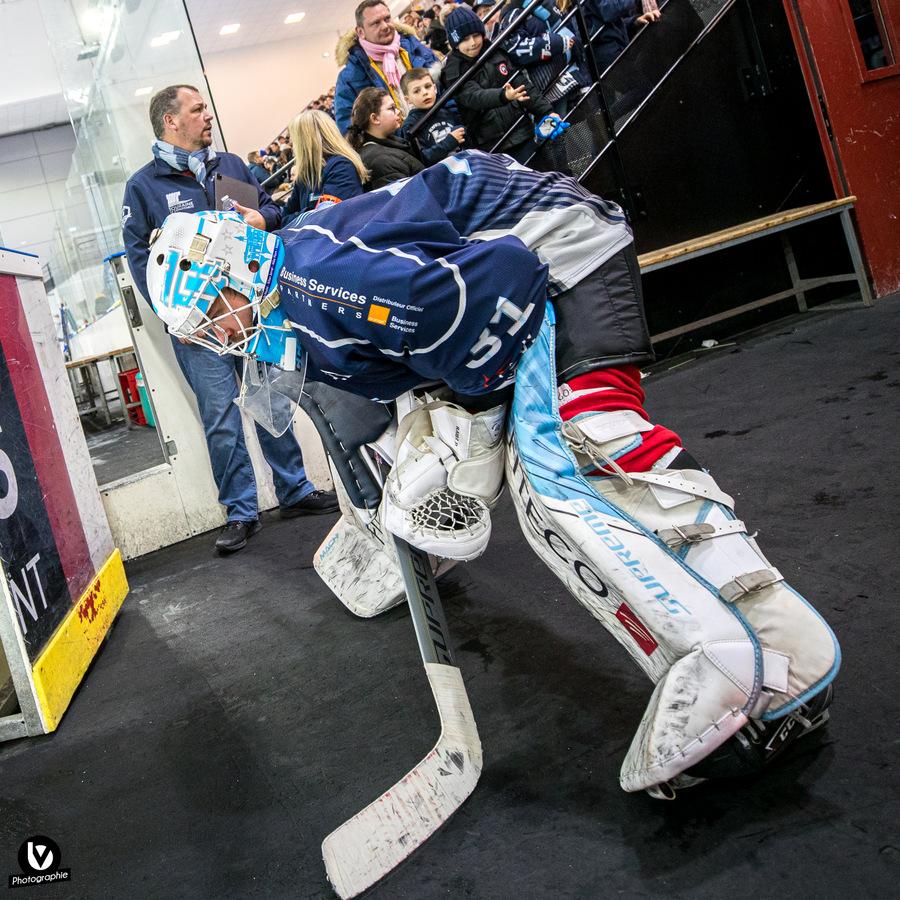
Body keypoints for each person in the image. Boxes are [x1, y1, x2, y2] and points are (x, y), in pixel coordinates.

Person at [147, 149, 839, 799]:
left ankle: (770, 650)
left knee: (577, 459)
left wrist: (472, 419)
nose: (217, 334)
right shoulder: (296, 286)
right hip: (521, 262)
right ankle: (753, 656)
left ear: (236, 269)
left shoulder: (322, 284)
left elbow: (503, 278)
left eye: (212, 310)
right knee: (548, 484)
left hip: (561, 250)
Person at [120, 84, 337, 554]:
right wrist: (175, 316)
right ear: (171, 121)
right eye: (198, 109)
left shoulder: (233, 165)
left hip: (253, 311)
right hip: (197, 328)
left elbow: (274, 209)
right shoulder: (143, 186)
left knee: (269, 400)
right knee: (220, 416)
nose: (208, 116)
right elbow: (142, 262)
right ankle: (241, 511)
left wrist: (262, 219)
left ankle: (295, 490)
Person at [439, 5, 559, 160]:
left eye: (476, 35)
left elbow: (522, 84)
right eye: (465, 39)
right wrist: (504, 95)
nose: (473, 42)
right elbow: (473, 97)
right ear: (455, 43)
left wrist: (547, 112)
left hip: (521, 131)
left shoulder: (494, 50)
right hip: (491, 145)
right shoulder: (452, 70)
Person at [334, 0, 439, 133]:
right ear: (360, 32)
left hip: (438, 129)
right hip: (397, 143)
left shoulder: (417, 49)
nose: (384, 26)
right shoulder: (350, 77)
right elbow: (349, 127)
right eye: (376, 23)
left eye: (387, 18)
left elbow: (442, 87)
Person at [282, 109, 368, 223]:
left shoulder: (340, 166)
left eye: (294, 140)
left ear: (305, 141)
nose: (292, 146)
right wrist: (309, 212)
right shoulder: (305, 175)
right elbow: (284, 218)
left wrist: (302, 214)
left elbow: (326, 218)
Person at [346, 88, 425, 189]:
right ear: (375, 118)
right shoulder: (380, 161)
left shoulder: (386, 145)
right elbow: (408, 195)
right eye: (391, 108)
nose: (398, 112)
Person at [398, 68, 465, 164]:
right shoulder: (410, 125)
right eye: (417, 91)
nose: (425, 92)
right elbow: (421, 160)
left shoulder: (447, 109)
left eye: (428, 86)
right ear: (408, 100)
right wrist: (449, 142)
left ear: (435, 88)